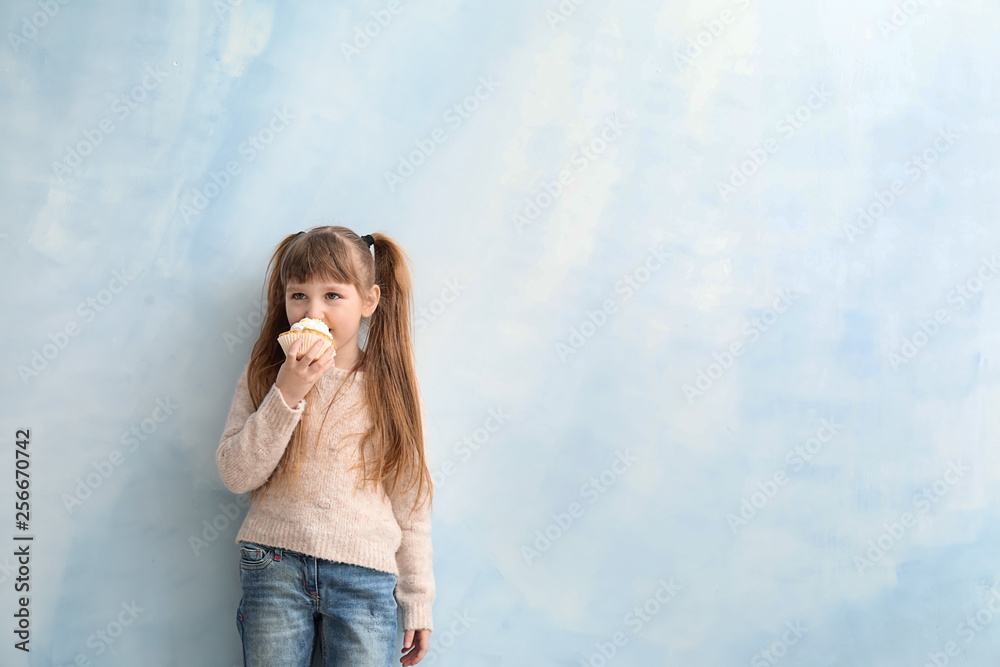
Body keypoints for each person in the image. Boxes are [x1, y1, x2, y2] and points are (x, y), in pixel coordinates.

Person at [216, 226, 434, 666]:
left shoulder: (392, 390)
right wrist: (287, 392)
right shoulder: (264, 376)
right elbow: (235, 474)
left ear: (369, 301)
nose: (311, 310)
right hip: (272, 565)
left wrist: (417, 600)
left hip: (365, 576)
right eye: (298, 295)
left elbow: (412, 505)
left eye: (332, 295)